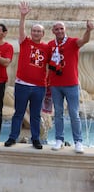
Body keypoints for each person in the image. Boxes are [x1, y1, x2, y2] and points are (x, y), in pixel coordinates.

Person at [4, 2, 50, 150]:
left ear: (43, 34)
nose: (36, 33)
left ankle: (35, 139)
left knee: (36, 115)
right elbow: (21, 30)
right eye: (34, 31)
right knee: (18, 113)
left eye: (39, 31)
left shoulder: (47, 48)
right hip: (22, 84)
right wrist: (23, 16)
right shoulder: (25, 43)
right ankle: (12, 137)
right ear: (31, 33)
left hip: (39, 86)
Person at [48, 20, 94, 153]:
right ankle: (59, 139)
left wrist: (89, 30)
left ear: (65, 29)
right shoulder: (51, 45)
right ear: (53, 31)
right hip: (55, 84)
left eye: (61, 28)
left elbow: (84, 41)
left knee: (74, 113)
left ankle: (78, 142)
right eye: (56, 29)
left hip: (71, 84)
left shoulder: (73, 42)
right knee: (58, 113)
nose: (59, 31)